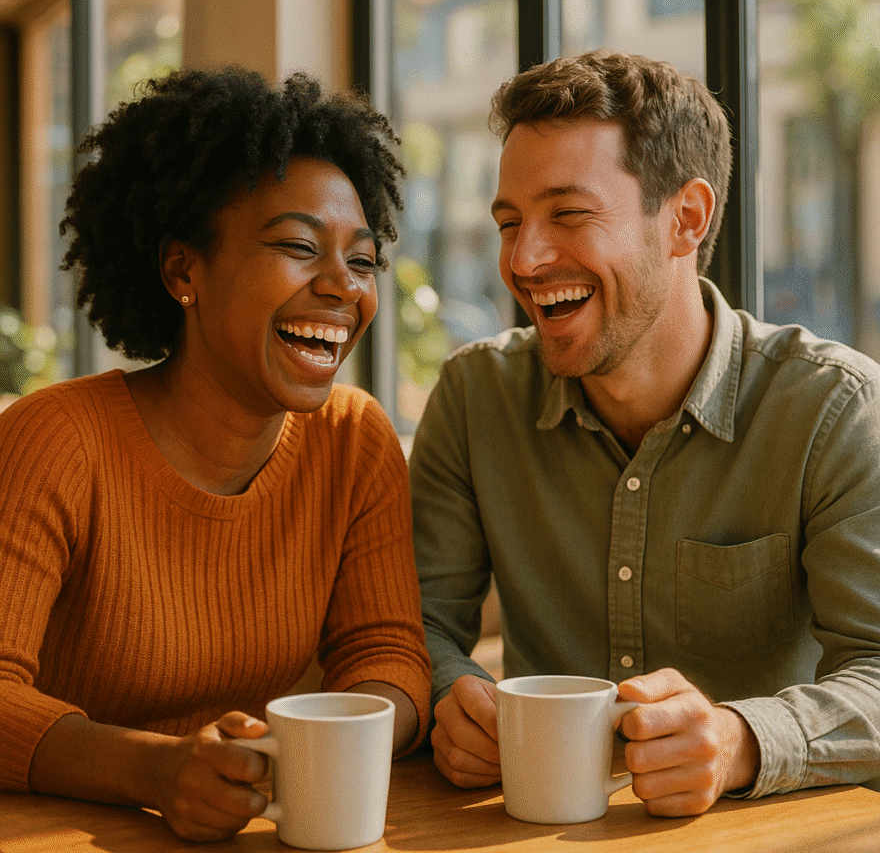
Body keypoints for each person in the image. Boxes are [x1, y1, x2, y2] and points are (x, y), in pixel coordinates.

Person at [410, 49, 880, 816]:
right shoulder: (474, 397)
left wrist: (741, 740)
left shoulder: (833, 410)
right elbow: (416, 627)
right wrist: (449, 693)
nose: (523, 259)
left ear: (685, 219)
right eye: (508, 222)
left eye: (567, 214)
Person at [0, 67, 431, 842]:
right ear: (182, 270)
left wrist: (332, 741)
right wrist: (156, 770)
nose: (343, 286)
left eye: (362, 260)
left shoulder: (354, 440)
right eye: (300, 246)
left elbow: (387, 653)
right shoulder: (55, 441)